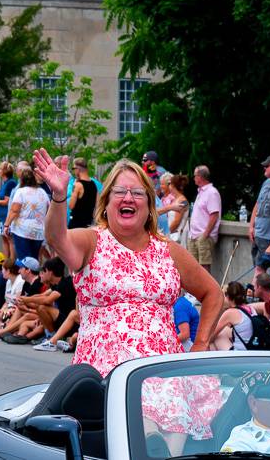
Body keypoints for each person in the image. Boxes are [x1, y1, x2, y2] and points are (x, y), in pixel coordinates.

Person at [33, 148, 222, 376]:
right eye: (120, 191)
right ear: (107, 201)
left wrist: (200, 344)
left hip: (162, 382)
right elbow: (57, 237)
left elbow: (213, 292)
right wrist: (59, 196)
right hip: (104, 381)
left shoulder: (169, 251)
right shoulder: (91, 241)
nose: (129, 198)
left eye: (138, 193)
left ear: (150, 206)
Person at [4, 167, 49, 260]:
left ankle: (25, 273)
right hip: (38, 231)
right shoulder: (42, 192)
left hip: (22, 231)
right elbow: (49, 209)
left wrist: (6, 225)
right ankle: (34, 274)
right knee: (34, 259)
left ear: (21, 180)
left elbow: (14, 211)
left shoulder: (20, 192)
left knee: (24, 259)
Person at [187, 165, 221, 273]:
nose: (194, 178)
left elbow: (214, 214)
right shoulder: (201, 192)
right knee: (194, 266)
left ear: (200, 177)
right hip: (194, 235)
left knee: (204, 266)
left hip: (203, 236)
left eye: (195, 176)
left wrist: (205, 234)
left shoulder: (212, 192)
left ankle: (206, 289)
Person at [210, 281, 255, 351]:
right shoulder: (250, 308)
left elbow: (211, 336)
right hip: (252, 348)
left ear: (227, 296)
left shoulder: (230, 313)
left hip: (240, 353)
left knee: (216, 338)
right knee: (223, 332)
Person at [0, 161, 18, 261]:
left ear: (5, 171)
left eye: (1, 169)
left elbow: (7, 201)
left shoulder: (11, 183)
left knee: (10, 240)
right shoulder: (5, 183)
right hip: (2, 217)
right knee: (5, 239)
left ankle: (12, 261)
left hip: (7, 217)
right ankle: (6, 262)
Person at [68, 158, 98, 229]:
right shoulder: (94, 184)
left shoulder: (78, 185)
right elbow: (97, 204)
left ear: (78, 169)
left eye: (73, 168)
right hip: (88, 225)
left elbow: (71, 206)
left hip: (76, 225)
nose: (74, 171)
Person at [160, 173, 189, 244]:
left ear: (172, 186)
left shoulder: (182, 200)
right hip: (172, 235)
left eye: (169, 184)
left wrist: (166, 234)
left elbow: (177, 221)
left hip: (176, 236)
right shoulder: (176, 199)